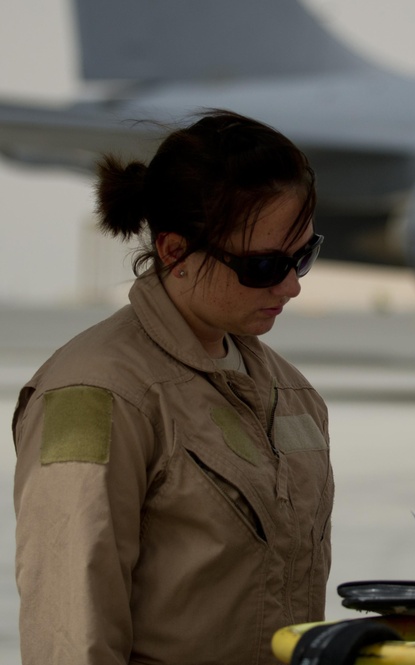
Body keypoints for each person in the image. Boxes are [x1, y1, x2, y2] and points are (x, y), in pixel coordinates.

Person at [12, 110, 333, 663]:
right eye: (262, 265)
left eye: (302, 256)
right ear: (173, 251)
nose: (290, 286)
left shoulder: (292, 392)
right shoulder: (97, 395)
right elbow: (71, 630)